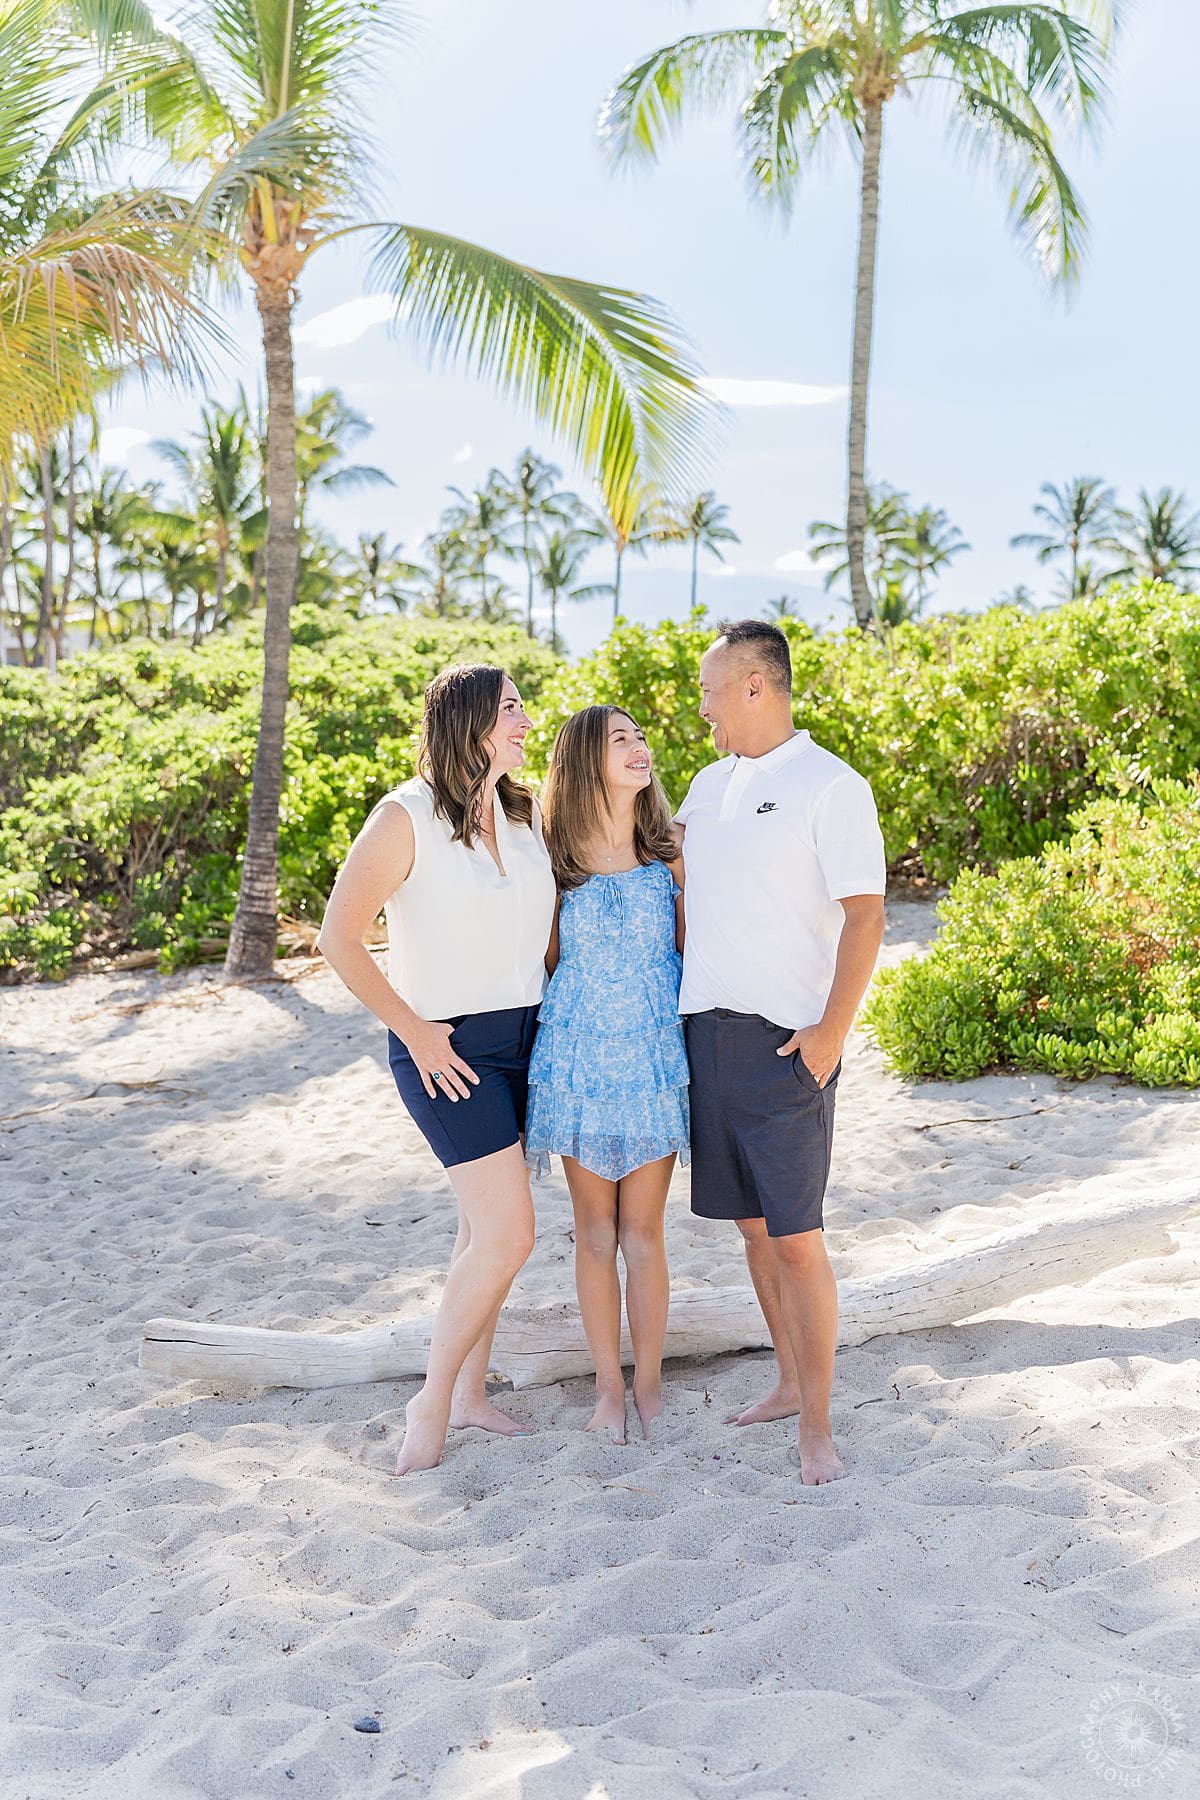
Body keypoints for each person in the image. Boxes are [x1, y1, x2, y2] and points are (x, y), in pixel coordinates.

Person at [316, 664, 556, 1476]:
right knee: (509, 1234)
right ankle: (433, 1397)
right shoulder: (403, 816)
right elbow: (338, 939)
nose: (525, 721)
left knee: (478, 1231)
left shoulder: (523, 814)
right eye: (511, 708)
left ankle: (471, 1396)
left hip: (525, 1037)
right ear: (469, 721)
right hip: (446, 1049)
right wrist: (417, 1034)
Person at [676, 620, 886, 1486]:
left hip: (786, 1043)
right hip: (706, 1037)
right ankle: (791, 1383)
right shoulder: (703, 783)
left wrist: (830, 1036)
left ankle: (821, 1429)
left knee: (798, 1238)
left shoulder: (830, 786)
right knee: (752, 1229)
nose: (703, 709)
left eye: (711, 690)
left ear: (757, 685)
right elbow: (675, 885)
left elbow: (867, 917)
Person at [525, 705, 688, 1443]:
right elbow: (548, 960)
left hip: (653, 1059)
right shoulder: (552, 858)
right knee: (593, 1234)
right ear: (587, 759)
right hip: (581, 1058)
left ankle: (648, 1384)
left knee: (643, 1232)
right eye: (620, 739)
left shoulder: (669, 853)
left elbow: (689, 956)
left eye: (641, 736)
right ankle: (606, 1392)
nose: (639, 747)